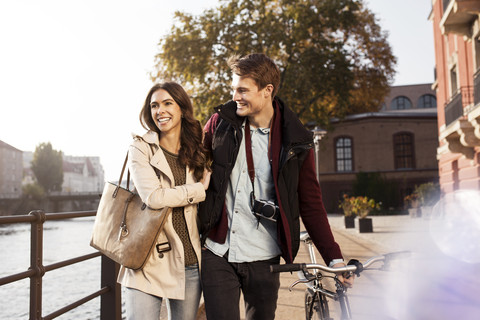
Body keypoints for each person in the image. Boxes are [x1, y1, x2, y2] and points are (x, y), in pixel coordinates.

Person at [198, 53, 353, 320]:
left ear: (267, 90)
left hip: (264, 256)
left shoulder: (297, 141)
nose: (235, 96)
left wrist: (334, 259)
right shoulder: (221, 123)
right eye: (233, 89)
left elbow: (311, 204)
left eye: (242, 90)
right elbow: (190, 160)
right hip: (218, 250)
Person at [117, 82, 211, 320]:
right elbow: (154, 198)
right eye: (154, 105)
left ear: (181, 108)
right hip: (147, 262)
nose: (160, 111)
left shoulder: (196, 151)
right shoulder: (140, 147)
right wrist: (198, 189)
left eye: (168, 103)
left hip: (188, 262)